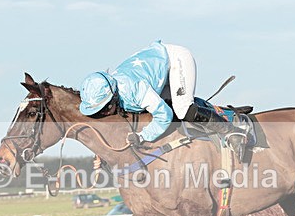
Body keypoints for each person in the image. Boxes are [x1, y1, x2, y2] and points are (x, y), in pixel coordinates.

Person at [78, 40, 248, 161]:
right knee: (177, 105)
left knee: (182, 109)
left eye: (105, 108)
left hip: (175, 59)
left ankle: (232, 131)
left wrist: (142, 136)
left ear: (114, 96)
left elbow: (164, 116)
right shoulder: (115, 90)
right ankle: (224, 113)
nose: (105, 113)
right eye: (100, 112)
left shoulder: (135, 90)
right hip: (158, 71)